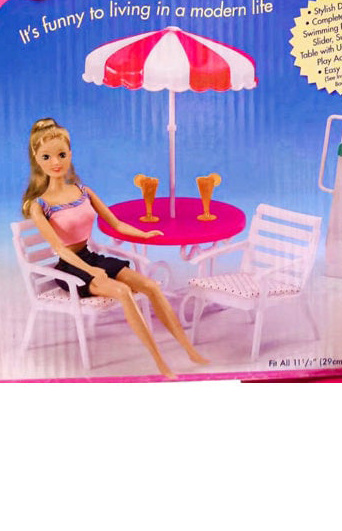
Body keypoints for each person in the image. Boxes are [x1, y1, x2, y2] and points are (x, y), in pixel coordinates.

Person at [22, 118, 208, 378]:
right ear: (37, 159)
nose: (56, 162)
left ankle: (189, 350)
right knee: (123, 291)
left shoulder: (82, 191)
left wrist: (144, 233)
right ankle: (160, 362)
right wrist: (91, 271)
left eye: (61, 154)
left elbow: (116, 223)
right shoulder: (39, 205)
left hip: (91, 258)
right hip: (71, 268)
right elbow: (60, 250)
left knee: (151, 286)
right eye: (47, 156)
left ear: (70, 154)